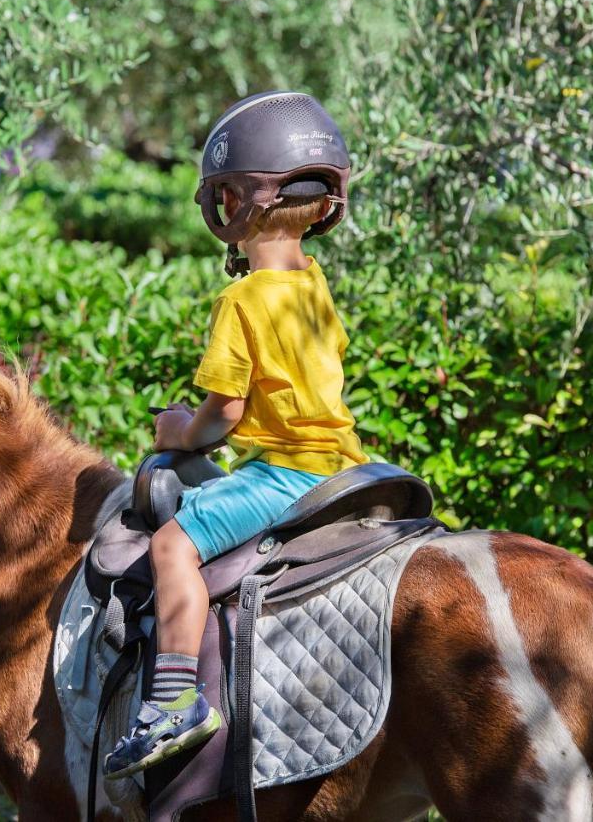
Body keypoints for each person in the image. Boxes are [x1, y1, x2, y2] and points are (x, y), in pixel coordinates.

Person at [105, 91, 368, 778]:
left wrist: (180, 432)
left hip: (285, 475)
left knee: (171, 544)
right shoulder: (313, 282)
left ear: (239, 203)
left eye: (224, 195)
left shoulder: (243, 298)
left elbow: (224, 412)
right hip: (344, 466)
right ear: (322, 204)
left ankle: (173, 701)